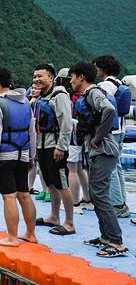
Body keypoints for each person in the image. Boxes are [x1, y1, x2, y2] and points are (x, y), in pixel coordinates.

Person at [70, 62, 128, 258]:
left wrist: (97, 138)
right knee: (96, 194)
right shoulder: (90, 94)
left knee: (100, 195)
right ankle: (105, 236)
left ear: (81, 77)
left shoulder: (93, 92)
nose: (71, 81)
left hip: (103, 150)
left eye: (73, 77)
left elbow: (109, 110)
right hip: (97, 151)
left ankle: (116, 242)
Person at [0, 67, 38, 247]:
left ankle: (12, 238)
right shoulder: (25, 102)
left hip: (5, 157)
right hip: (23, 155)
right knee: (24, 195)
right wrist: (31, 157)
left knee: (9, 197)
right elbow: (32, 132)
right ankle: (31, 234)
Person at [31, 64, 76, 236]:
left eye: (40, 76)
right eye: (35, 76)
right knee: (50, 183)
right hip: (42, 145)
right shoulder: (41, 97)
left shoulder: (60, 95)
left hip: (55, 146)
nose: (36, 79)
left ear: (51, 78)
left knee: (61, 184)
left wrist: (61, 147)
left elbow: (66, 123)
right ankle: (54, 217)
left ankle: (69, 223)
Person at [93, 55, 130, 218]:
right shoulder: (119, 83)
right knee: (118, 166)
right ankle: (122, 202)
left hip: (111, 132)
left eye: (96, 67)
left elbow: (105, 109)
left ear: (103, 68)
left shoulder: (104, 85)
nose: (95, 70)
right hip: (122, 129)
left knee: (111, 169)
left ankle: (116, 204)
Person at [57, 67, 92, 214]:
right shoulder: (83, 94)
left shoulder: (67, 95)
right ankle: (88, 199)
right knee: (79, 168)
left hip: (72, 133)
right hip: (82, 133)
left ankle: (74, 202)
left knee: (71, 169)